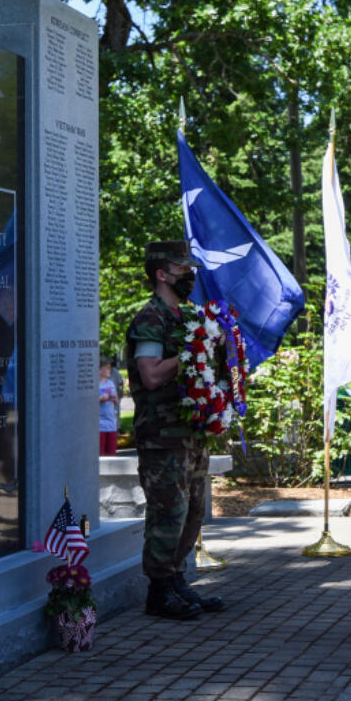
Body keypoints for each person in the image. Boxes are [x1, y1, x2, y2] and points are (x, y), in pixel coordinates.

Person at [126, 240, 224, 619]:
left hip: (190, 432)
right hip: (161, 436)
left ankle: (178, 579)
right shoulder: (150, 319)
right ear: (162, 273)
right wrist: (188, 353)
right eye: (183, 268)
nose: (190, 275)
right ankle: (159, 590)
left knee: (193, 510)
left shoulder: (185, 317)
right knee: (169, 511)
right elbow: (150, 376)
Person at [99, 358, 120, 455]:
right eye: (106, 368)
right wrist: (100, 398)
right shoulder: (94, 384)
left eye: (110, 368)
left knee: (112, 455)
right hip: (99, 426)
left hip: (111, 425)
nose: (109, 370)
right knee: (100, 455)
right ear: (99, 370)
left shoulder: (110, 383)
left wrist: (114, 398)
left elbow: (116, 402)